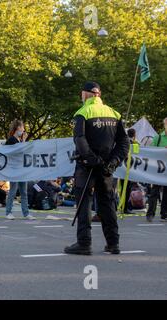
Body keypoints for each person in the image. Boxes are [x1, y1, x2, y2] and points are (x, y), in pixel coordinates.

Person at [65, 81, 129, 256]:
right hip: (107, 167)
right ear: (99, 95)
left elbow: (80, 140)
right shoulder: (114, 113)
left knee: (84, 203)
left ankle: (84, 243)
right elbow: (124, 143)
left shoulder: (82, 113)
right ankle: (113, 243)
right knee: (107, 204)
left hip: (87, 166)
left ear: (86, 95)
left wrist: (94, 160)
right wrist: (113, 162)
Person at [4, 119, 34, 220]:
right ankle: (8, 212)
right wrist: (24, 141)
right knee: (13, 191)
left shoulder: (19, 141)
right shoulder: (11, 140)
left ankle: (26, 213)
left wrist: (23, 141)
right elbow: (15, 151)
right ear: (17, 128)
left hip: (22, 170)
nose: (24, 129)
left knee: (24, 192)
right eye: (22, 127)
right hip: (14, 170)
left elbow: (23, 152)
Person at [146, 117, 167, 222]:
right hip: (157, 171)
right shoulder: (158, 138)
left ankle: (164, 214)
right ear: (164, 125)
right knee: (154, 192)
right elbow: (151, 152)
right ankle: (150, 214)